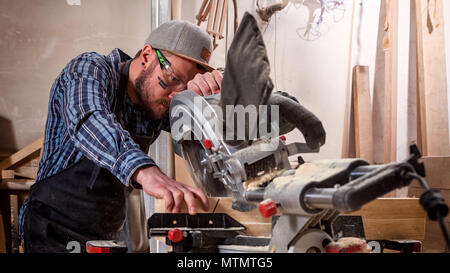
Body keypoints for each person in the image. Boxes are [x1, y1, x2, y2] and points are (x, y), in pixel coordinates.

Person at [19, 20, 223, 253]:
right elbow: (90, 119)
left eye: (183, 90)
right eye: (173, 79)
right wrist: (144, 170)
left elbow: (198, 129)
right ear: (147, 55)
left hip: (105, 237)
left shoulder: (159, 102)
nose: (172, 98)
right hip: (51, 231)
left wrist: (216, 97)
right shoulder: (89, 69)